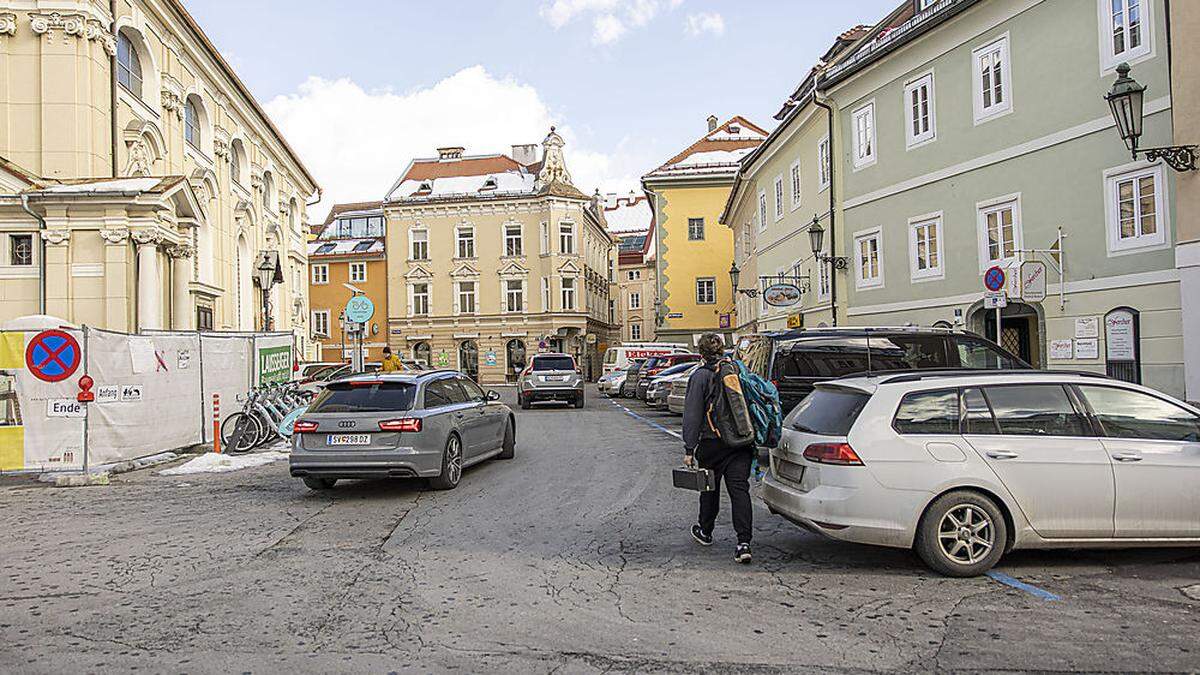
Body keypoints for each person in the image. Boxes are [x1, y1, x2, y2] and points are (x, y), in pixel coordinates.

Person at [682, 333, 753, 564]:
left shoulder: (700, 376)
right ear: (722, 349)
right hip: (741, 441)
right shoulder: (737, 370)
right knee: (740, 491)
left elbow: (692, 415)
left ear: (700, 353)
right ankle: (743, 543)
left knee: (709, 490)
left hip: (712, 443)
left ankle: (705, 531)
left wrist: (689, 449)